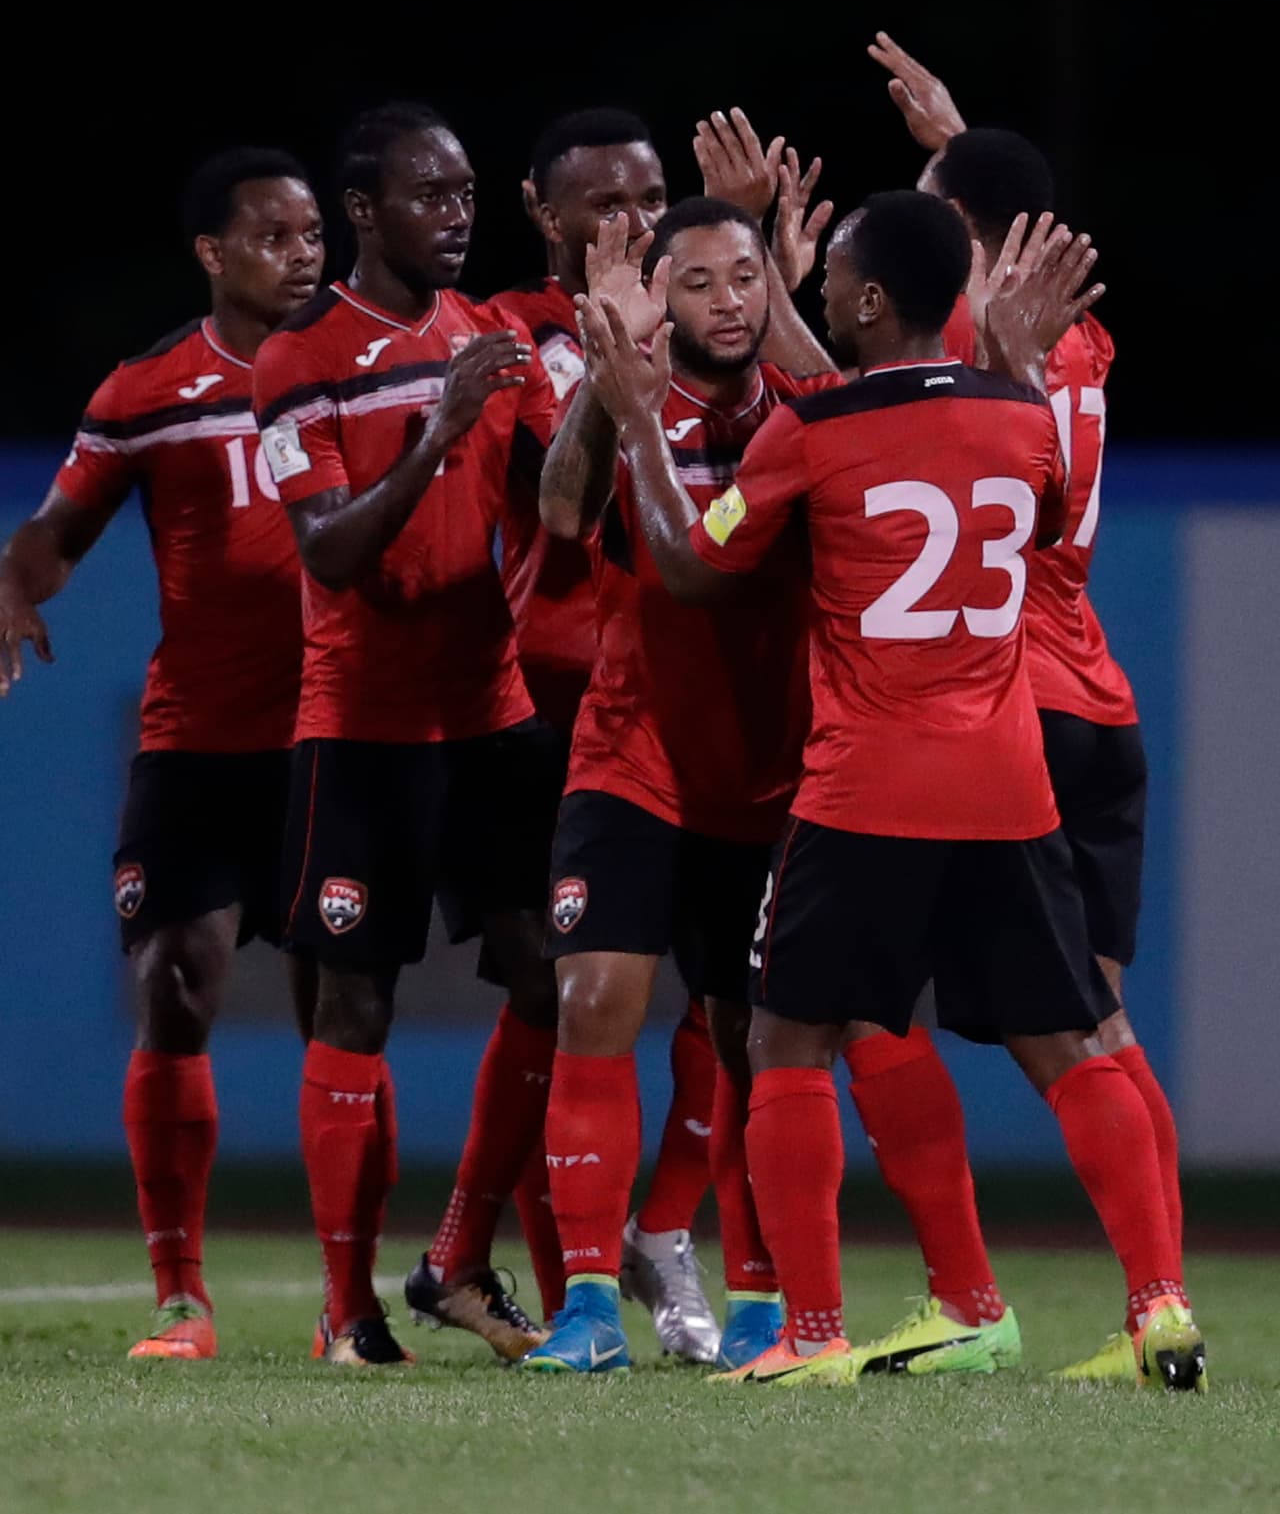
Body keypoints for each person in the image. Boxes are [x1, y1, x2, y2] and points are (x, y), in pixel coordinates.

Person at [576, 187, 1205, 1393]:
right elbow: (1054, 519)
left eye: (828, 282)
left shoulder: (812, 433)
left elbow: (686, 563)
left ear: (868, 301)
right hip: (1007, 783)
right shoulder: (1022, 420)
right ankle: (1157, 1301)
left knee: (785, 1037)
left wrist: (639, 425)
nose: (807, 297)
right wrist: (1011, 366)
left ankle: (808, 1332)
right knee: (1071, 1043)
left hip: (862, 786)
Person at [843, 33, 1186, 1385]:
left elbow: (935, 295)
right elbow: (989, 230)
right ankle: (1158, 1304)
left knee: (858, 1002)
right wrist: (960, 136)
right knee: (1101, 1030)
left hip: (1005, 705)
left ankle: (966, 1297)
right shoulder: (1080, 336)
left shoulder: (977, 334)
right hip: (1103, 708)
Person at [0, 148, 325, 1361]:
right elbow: (54, 529)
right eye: (275, 234)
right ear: (212, 252)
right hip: (194, 737)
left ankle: (346, 1300)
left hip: (334, 732)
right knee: (176, 987)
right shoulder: (152, 387)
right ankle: (181, 1298)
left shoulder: (361, 360)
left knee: (340, 1004)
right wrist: (14, 588)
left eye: (311, 233)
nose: (303, 252)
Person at [252, 101, 563, 1366]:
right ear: (366, 213)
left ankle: (454, 1252)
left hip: (488, 712)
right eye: (428, 196)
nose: (454, 214)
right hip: (364, 727)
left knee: (549, 969)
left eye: (465, 195)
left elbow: (559, 497)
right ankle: (345, 1306)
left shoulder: (492, 334)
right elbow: (329, 547)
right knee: (356, 1000)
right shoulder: (299, 357)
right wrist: (437, 433)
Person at [521, 195, 837, 1375]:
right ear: (661, 298)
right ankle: (591, 1303)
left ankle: (759, 1298)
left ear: (773, 288)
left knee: (756, 1039)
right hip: (631, 748)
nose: (723, 302)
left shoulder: (806, 414)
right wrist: (603, 388)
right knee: (592, 997)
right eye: (695, 282)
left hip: (766, 774)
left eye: (743, 279)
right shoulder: (628, 397)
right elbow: (559, 507)